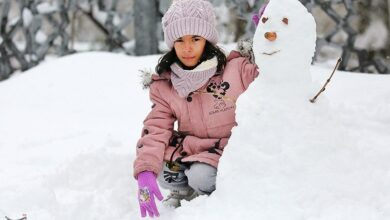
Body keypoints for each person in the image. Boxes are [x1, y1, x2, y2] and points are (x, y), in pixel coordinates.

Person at [133, 0, 259, 217]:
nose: (187, 47)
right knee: (164, 173)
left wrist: (271, 32)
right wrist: (145, 171)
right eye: (180, 40)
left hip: (226, 149)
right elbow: (156, 127)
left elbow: (276, 76)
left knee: (201, 177)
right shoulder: (166, 83)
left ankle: (215, 200)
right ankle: (183, 193)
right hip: (190, 149)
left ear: (207, 39)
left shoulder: (235, 69)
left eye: (196, 39)